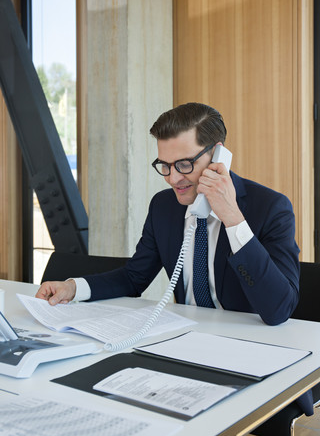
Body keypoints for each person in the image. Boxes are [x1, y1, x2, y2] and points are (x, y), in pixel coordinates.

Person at [36, 102, 300, 326]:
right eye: (165, 165)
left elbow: (278, 310)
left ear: (217, 156)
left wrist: (232, 218)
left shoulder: (271, 208)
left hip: (251, 348)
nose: (173, 179)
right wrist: (73, 288)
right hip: (185, 341)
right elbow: (133, 278)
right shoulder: (164, 206)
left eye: (185, 164)